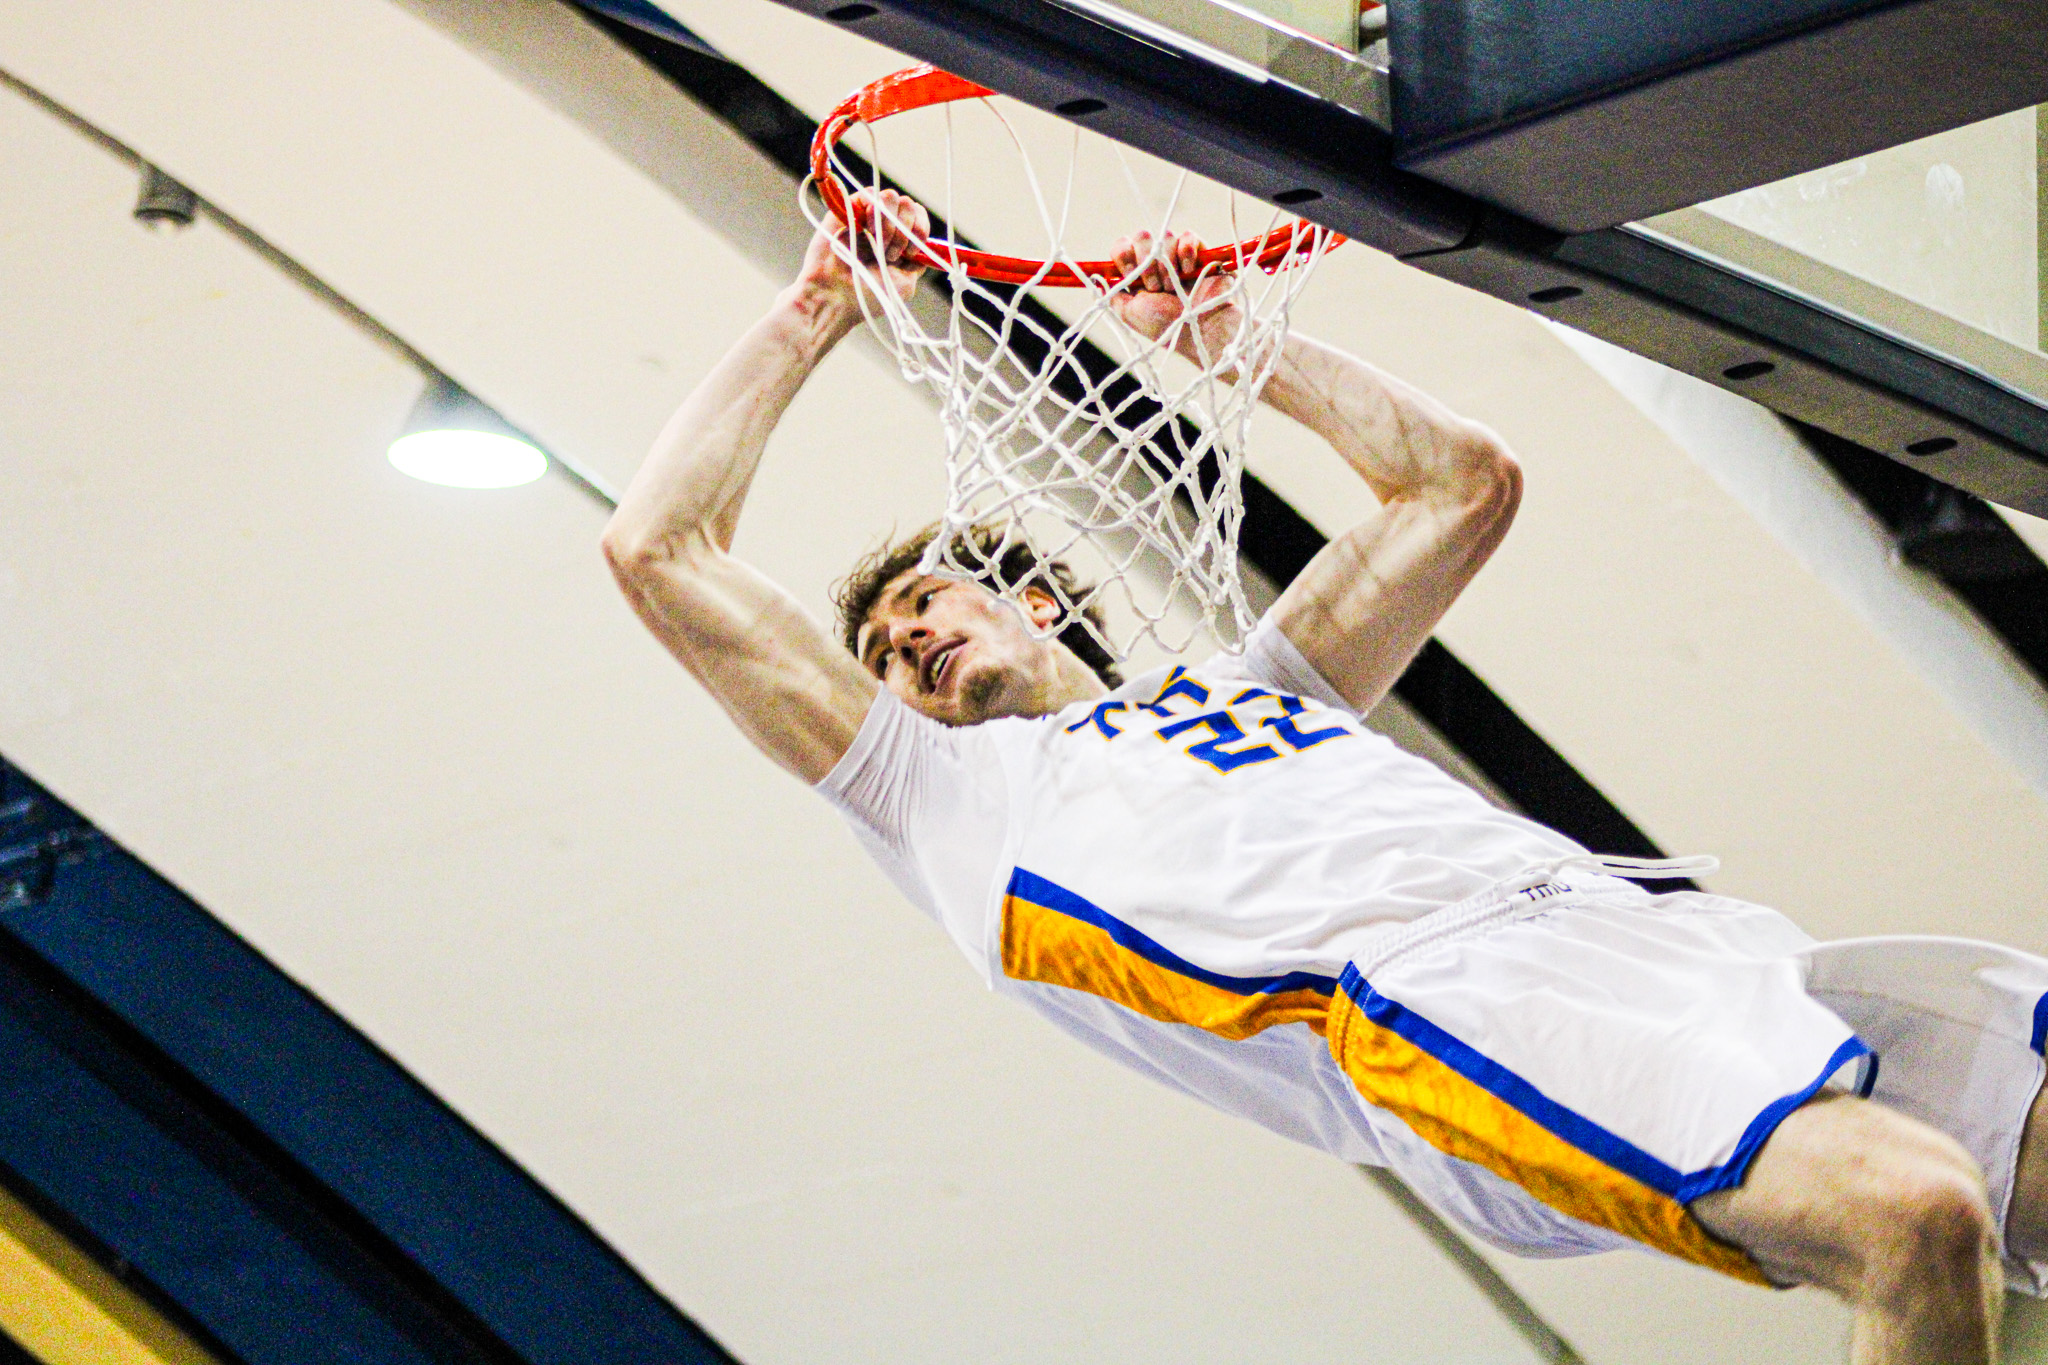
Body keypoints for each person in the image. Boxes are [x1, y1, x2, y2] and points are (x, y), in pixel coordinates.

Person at [603, 188, 2048, 1363]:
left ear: (1035, 601)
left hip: (1647, 931)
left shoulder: (1251, 692)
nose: (902, 636)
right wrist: (814, 309)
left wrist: (1230, 334)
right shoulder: (935, 798)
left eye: (924, 600)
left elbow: (1463, 485)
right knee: (1912, 1213)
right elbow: (657, 549)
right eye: (876, 643)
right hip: (1445, 1005)